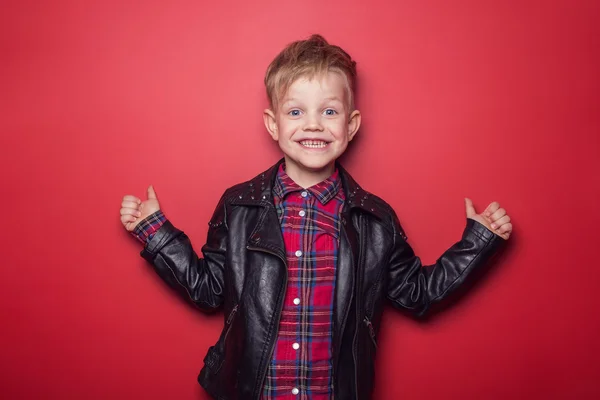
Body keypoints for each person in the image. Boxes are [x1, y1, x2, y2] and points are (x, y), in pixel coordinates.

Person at [119, 34, 512, 400]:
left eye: (329, 111)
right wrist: (156, 233)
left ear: (350, 125)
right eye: (295, 111)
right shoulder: (240, 206)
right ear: (274, 125)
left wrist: (477, 243)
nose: (313, 124)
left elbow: (417, 294)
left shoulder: (374, 220)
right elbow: (208, 290)